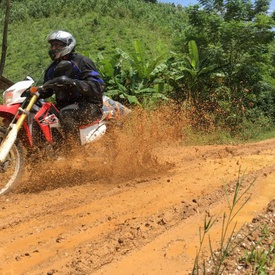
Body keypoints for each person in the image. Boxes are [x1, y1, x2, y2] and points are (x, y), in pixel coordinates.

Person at [41, 30, 106, 140]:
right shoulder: (52, 68)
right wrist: (33, 91)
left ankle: (74, 151)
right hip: (63, 105)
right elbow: (47, 90)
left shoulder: (81, 62)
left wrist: (73, 83)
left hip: (88, 105)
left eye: (57, 45)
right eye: (52, 45)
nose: (53, 48)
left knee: (66, 114)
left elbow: (98, 86)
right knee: (43, 116)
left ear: (67, 45)